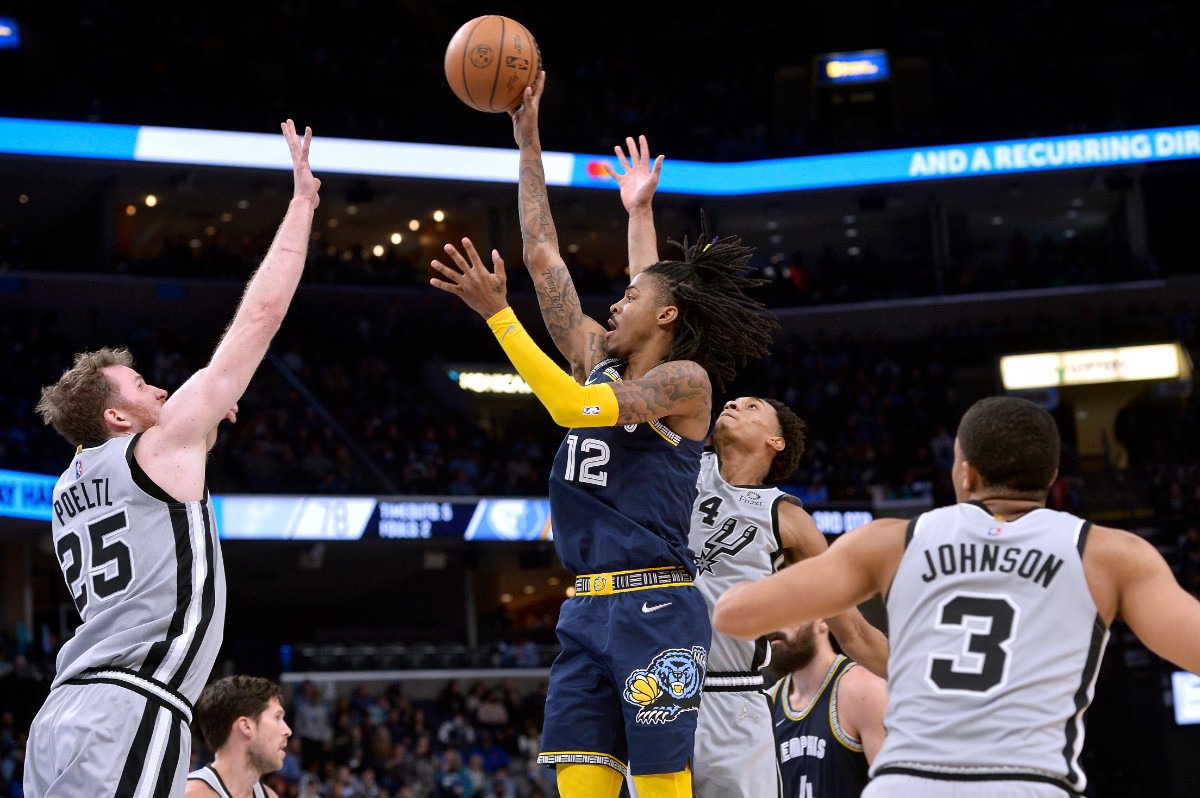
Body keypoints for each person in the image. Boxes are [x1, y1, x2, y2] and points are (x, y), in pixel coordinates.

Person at [429, 70, 778, 798]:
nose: (611, 304)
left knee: (659, 787)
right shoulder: (595, 357)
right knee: (578, 787)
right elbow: (542, 254)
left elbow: (571, 411)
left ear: (668, 318)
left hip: (657, 606)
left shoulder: (686, 386)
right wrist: (528, 143)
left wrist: (500, 317)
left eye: (627, 296)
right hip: (584, 606)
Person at [25, 119, 321, 797]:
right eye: (140, 387)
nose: (159, 387)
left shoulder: (67, 484)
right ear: (115, 417)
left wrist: (203, 420)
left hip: (61, 717)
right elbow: (262, 315)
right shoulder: (155, 448)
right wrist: (301, 202)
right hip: (128, 706)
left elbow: (151, 491)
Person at [714, 395, 1200, 797]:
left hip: (909, 784)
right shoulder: (1111, 554)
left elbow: (735, 614)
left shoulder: (890, 541)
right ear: (1052, 479)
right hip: (1028, 782)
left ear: (965, 474)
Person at [681, 395, 889, 798]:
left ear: (776, 442)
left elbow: (857, 634)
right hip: (657, 691)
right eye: (733, 402)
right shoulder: (676, 465)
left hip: (732, 697)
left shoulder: (787, 519)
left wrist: (930, 688)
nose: (733, 404)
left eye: (752, 406)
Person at [766, 619, 887, 798]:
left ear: (823, 620)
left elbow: (897, 785)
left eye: (785, 611)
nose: (771, 625)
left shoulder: (863, 688)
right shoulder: (768, 701)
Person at [186, 675, 292, 798]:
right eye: (277, 717)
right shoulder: (192, 794)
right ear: (246, 726)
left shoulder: (270, 795)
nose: (287, 731)